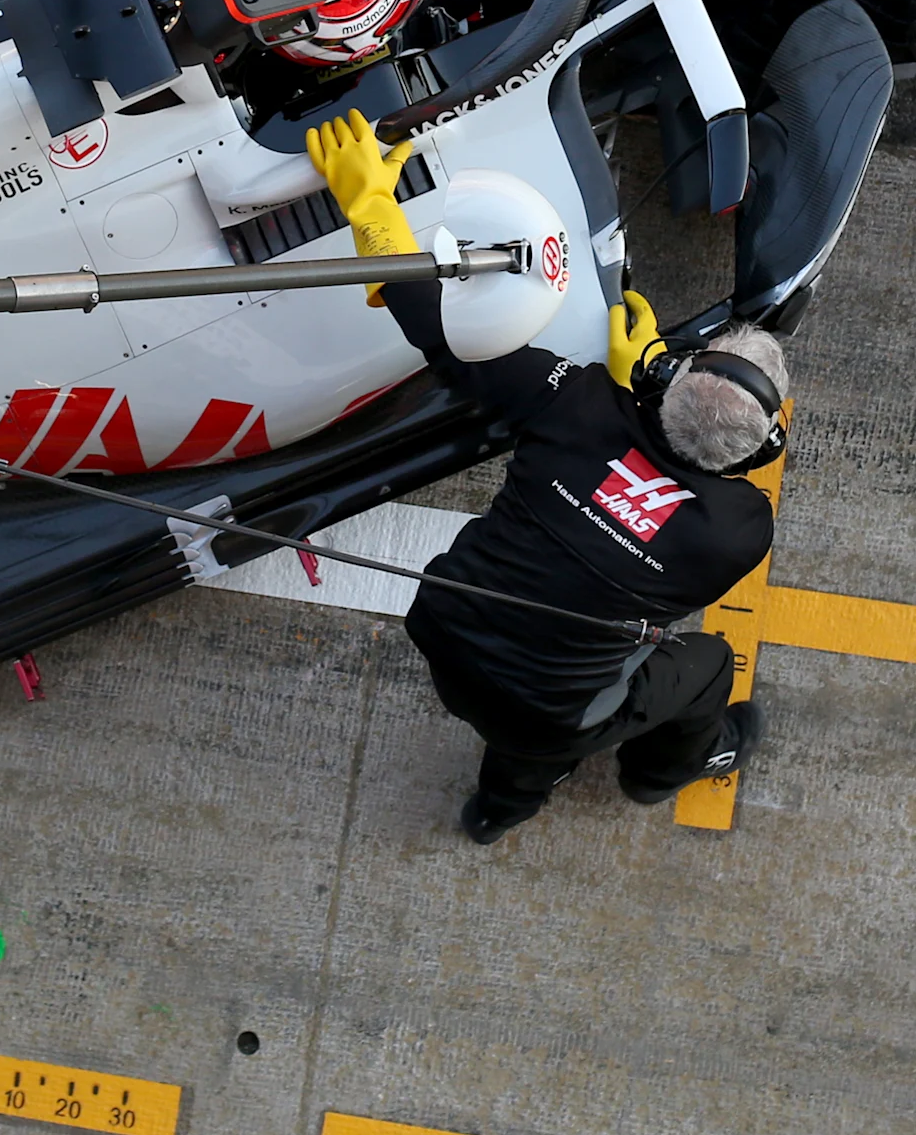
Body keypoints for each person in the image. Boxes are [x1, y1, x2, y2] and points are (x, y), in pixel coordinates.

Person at [306, 109, 781, 843]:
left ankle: (505, 802)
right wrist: (642, 399)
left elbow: (439, 329)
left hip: (443, 633)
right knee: (709, 664)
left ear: (678, 375)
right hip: (545, 713)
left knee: (535, 702)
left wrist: (370, 204)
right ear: (754, 450)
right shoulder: (739, 528)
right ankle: (648, 776)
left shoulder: (575, 400)